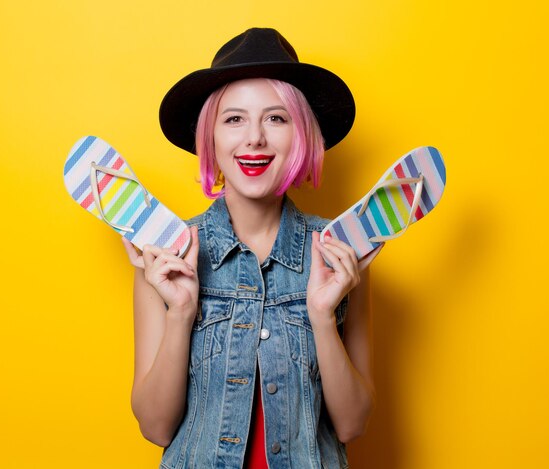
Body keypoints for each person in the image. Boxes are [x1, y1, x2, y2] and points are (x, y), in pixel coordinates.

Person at [121, 28, 382, 469]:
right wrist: (182, 313)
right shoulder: (164, 255)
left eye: (276, 119)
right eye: (234, 119)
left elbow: (352, 424)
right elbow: (155, 428)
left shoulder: (343, 253)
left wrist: (321, 317)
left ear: (300, 136)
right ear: (211, 137)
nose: (255, 138)